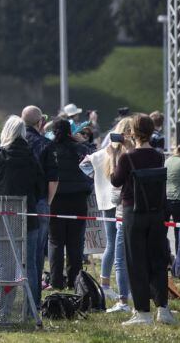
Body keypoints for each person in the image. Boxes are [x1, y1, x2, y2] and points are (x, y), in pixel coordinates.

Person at [110, 114, 174, 326]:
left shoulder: (127, 158)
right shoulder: (159, 156)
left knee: (135, 261)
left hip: (133, 212)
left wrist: (114, 155)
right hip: (156, 212)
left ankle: (143, 312)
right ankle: (163, 308)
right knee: (157, 259)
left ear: (132, 132)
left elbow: (116, 181)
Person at [0, 116, 45, 306]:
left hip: (4, 219)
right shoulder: (31, 157)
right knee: (31, 268)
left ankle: (5, 308)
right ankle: (32, 308)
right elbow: (41, 187)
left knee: (6, 267)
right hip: (29, 217)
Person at [83, 118, 131, 311]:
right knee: (119, 246)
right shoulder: (128, 153)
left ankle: (105, 283)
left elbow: (84, 167)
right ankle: (110, 285)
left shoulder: (100, 154)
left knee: (112, 244)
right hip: (121, 202)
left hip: (105, 201)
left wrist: (96, 179)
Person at [46, 117, 93, 291]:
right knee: (75, 242)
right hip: (78, 199)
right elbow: (93, 162)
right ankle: (75, 281)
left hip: (55, 199)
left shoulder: (49, 148)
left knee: (55, 242)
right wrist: (83, 141)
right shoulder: (80, 149)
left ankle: (56, 281)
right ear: (70, 131)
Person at [21, 105, 58, 301]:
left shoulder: (15, 143)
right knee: (36, 254)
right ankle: (34, 300)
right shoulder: (45, 144)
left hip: (16, 203)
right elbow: (53, 179)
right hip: (40, 201)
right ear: (40, 122)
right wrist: (47, 202)